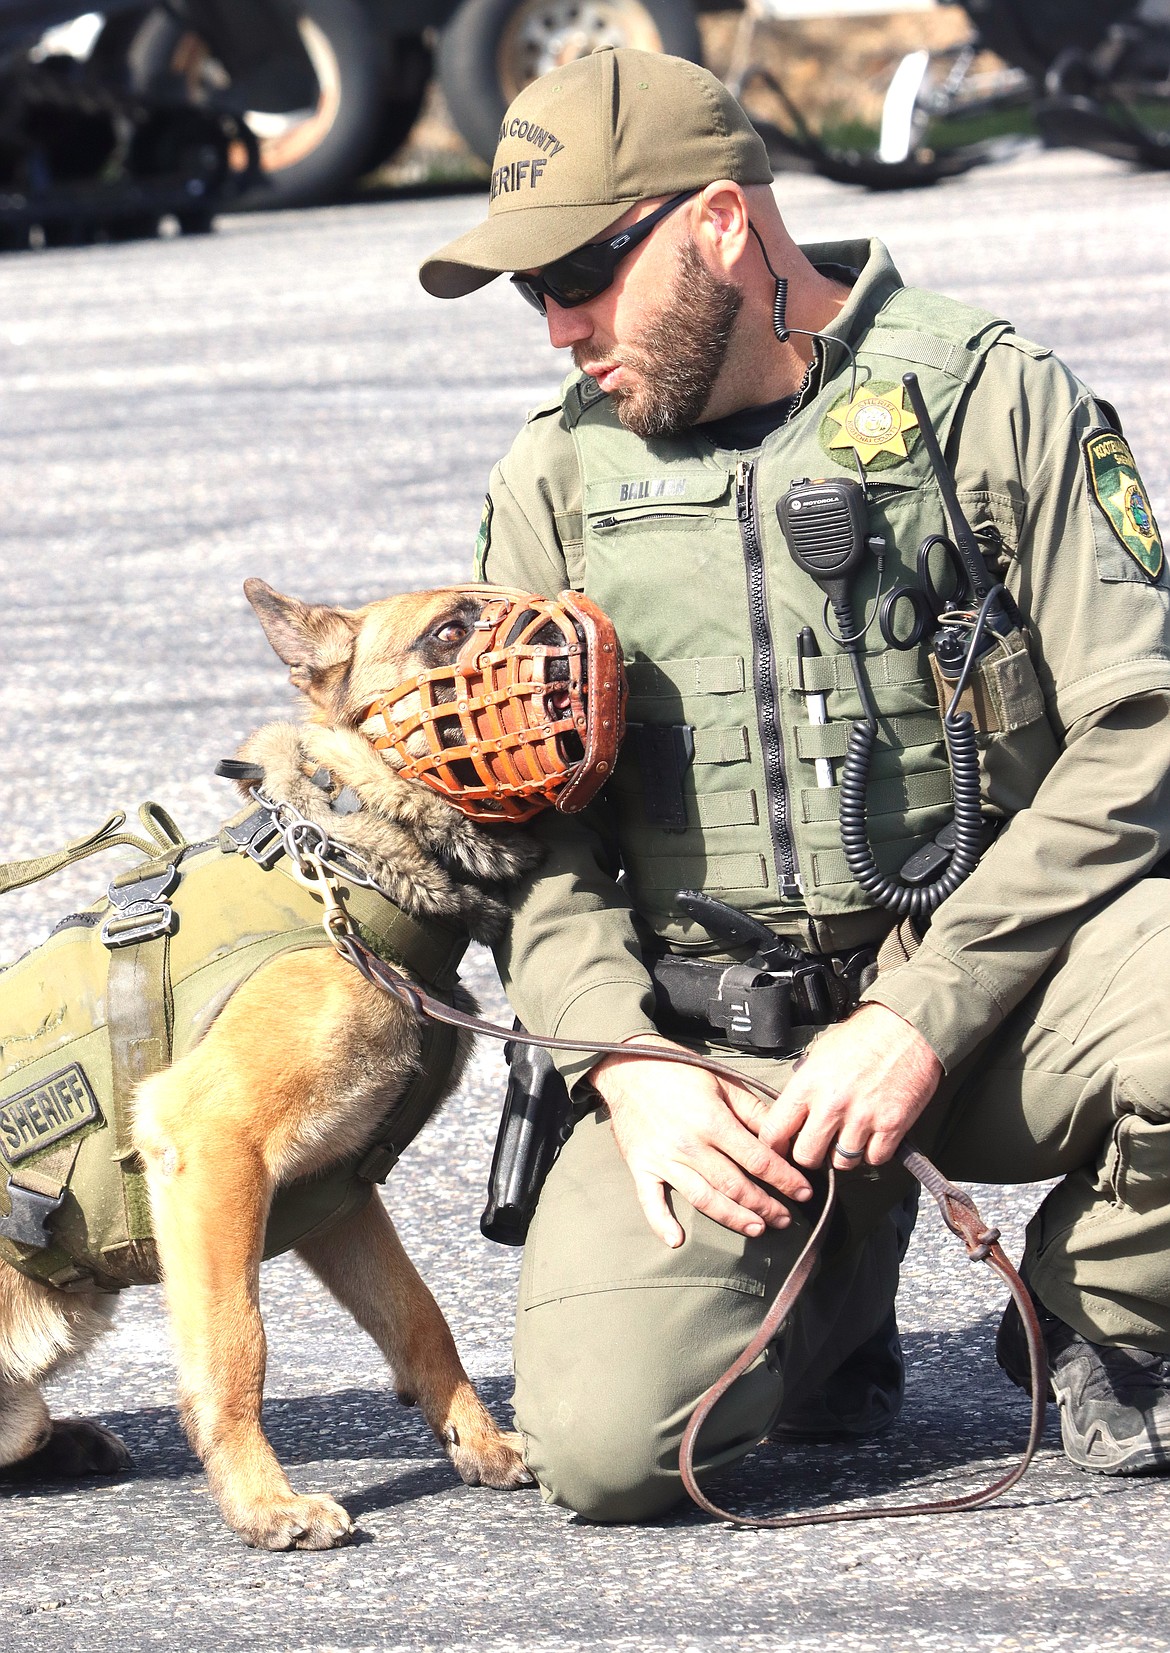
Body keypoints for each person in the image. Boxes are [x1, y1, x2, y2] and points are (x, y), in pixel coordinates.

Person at [419, 47, 1170, 1522]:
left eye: (579, 272)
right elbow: (527, 830)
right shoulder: (554, 482)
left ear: (714, 225)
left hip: (992, 994)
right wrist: (618, 1060)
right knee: (609, 1449)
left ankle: (1100, 1310)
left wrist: (917, 1008)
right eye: (531, 292)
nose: (559, 326)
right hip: (720, 1057)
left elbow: (1140, 727)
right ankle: (831, 1270)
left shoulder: (982, 398)